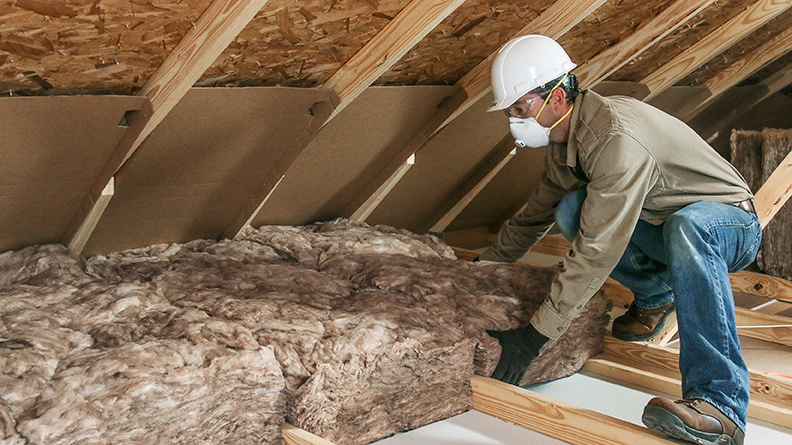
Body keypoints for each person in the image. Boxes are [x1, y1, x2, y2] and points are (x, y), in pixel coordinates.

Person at [479, 35, 761, 445]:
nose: (514, 121)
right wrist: (474, 273)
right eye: (510, 111)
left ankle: (721, 404)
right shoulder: (566, 143)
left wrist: (535, 336)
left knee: (688, 226)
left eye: (521, 109)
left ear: (557, 97)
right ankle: (657, 295)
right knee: (570, 208)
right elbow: (531, 218)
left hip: (729, 224)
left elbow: (597, 251)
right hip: (664, 225)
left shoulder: (614, 140)